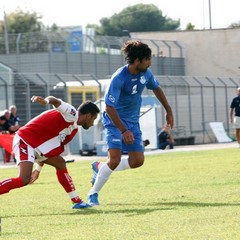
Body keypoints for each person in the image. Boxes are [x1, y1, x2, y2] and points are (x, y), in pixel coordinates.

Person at [87, 40, 174, 206]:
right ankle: (93, 194)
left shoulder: (146, 74)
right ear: (137, 61)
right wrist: (123, 130)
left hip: (133, 122)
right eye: (148, 59)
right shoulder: (119, 78)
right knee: (114, 160)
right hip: (114, 121)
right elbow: (110, 107)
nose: (150, 62)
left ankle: (99, 168)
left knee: (137, 161)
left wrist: (168, 110)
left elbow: (156, 88)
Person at [0, 95, 100, 209]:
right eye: (93, 119)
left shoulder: (74, 127)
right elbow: (55, 101)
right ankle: (76, 201)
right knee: (24, 179)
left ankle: (76, 201)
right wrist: (46, 101)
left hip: (35, 145)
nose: (92, 123)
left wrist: (37, 170)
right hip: (25, 140)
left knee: (60, 163)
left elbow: (46, 149)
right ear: (88, 116)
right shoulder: (72, 114)